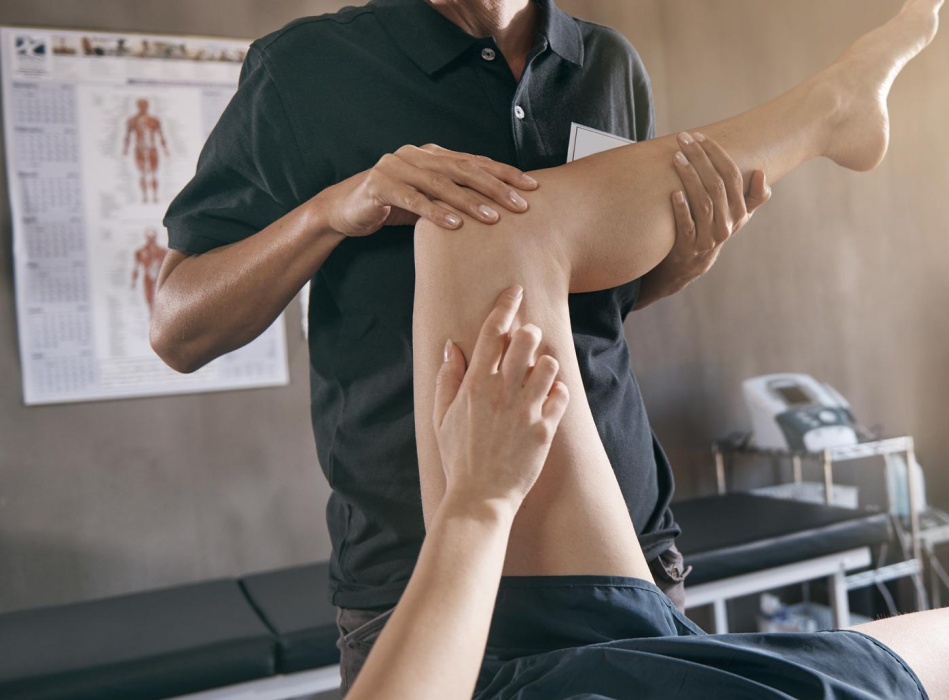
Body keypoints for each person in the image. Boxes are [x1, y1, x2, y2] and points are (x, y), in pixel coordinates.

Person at [372, 1, 949, 698]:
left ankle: (837, 109)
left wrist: (480, 510)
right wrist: (479, 502)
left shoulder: (602, 61)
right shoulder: (307, 72)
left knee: (468, 228)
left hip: (501, 662)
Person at [151, 0, 766, 690]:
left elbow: (592, 312)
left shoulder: (608, 65)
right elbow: (178, 327)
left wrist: (674, 270)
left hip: (624, 544)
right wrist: (329, 211)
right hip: (419, 570)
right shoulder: (305, 69)